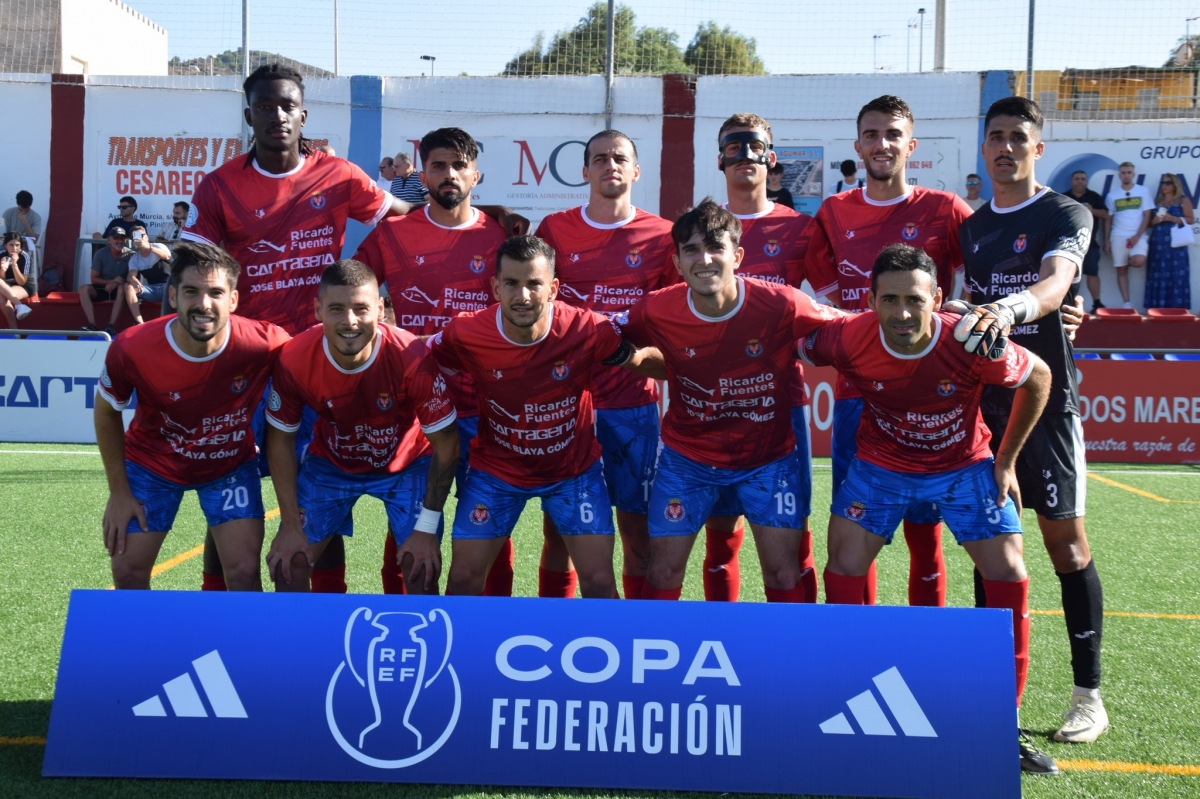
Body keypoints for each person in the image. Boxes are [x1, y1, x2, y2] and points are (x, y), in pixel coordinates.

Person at [804, 242, 1054, 776]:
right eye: (889, 300)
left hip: (964, 466)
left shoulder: (971, 339)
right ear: (869, 301)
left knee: (1010, 571)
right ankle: (850, 705)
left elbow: (1039, 378)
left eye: (914, 300)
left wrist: (1006, 462)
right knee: (843, 568)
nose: (901, 313)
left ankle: (1002, 723)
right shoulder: (847, 337)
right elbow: (791, 339)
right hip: (880, 468)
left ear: (937, 298)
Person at [956, 96, 1108, 757]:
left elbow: (1056, 282)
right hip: (985, 407)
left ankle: (1088, 696)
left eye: (1019, 137)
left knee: (1065, 547)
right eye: (996, 137)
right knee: (992, 549)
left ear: (1037, 149)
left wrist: (1016, 308)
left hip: (1049, 404)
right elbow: (957, 297)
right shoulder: (973, 225)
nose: (1007, 147)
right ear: (984, 148)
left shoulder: (1064, 212)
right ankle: (993, 694)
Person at [622, 199, 842, 603]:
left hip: (768, 460)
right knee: (663, 568)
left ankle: (796, 659)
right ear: (677, 260)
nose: (704, 259)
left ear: (737, 256)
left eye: (715, 247)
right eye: (691, 250)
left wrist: (947, 321)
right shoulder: (656, 308)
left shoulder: (783, 302)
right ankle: (653, 661)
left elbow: (854, 324)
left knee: (782, 570)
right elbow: (607, 339)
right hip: (687, 460)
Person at [805, 94, 975, 607]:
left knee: (927, 536)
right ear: (858, 145)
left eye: (893, 134)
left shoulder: (946, 209)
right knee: (857, 538)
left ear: (911, 145)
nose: (883, 144)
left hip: (932, 401)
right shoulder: (833, 212)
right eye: (873, 134)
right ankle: (861, 647)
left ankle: (926, 643)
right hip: (859, 394)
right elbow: (825, 306)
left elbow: (974, 293)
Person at [427, 235, 663, 598]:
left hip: (573, 473)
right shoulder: (465, 332)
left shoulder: (588, 329)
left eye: (534, 284)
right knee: (462, 581)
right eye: (511, 284)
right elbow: (418, 365)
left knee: (600, 583)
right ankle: (465, 654)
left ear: (553, 288)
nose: (522, 296)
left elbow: (637, 360)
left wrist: (703, 370)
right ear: (495, 286)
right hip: (497, 473)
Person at [354, 126, 510, 596]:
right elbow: (353, 296)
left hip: (486, 410)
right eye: (439, 165)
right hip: (413, 413)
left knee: (489, 532)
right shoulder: (392, 235)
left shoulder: (501, 235)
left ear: (476, 175)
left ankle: (488, 635)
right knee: (407, 532)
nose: (449, 174)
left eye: (459, 165)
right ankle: (403, 626)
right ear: (422, 174)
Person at [93, 242, 289, 591]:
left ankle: (240, 647)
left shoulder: (266, 343)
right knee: (127, 572)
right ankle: (144, 647)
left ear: (233, 300)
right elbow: (107, 412)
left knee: (244, 574)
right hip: (152, 466)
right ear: (173, 295)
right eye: (191, 292)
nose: (203, 304)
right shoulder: (131, 347)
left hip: (228, 466)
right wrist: (119, 493)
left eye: (216, 292)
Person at [534, 129, 676, 601]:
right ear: (585, 171)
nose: (609, 166)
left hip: (632, 404)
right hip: (566, 403)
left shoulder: (662, 235)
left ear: (636, 171)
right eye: (599, 159)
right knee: (559, 527)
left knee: (637, 525)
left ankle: (636, 632)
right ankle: (558, 625)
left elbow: (676, 317)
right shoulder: (554, 230)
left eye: (619, 158)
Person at [263, 260, 459, 594]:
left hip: (406, 463)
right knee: (289, 563)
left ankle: (414, 641)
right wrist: (290, 524)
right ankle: (306, 644)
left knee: (419, 567)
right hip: (333, 463)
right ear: (317, 309)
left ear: (380, 309)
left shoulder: (410, 356)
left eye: (361, 309)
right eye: (337, 309)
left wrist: (426, 529)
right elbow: (280, 441)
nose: (350, 321)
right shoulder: (294, 358)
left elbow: (447, 445)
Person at [705, 112, 820, 603]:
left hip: (780, 405)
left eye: (754, 147)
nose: (744, 156)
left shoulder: (802, 229)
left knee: (795, 538)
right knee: (720, 539)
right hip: (709, 406)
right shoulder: (700, 229)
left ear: (771, 159)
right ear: (720, 160)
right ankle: (722, 649)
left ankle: (803, 656)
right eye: (734, 147)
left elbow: (835, 305)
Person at [1103, 161, 1153, 309]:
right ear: (1119, 175)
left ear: (1133, 174)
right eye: (1123, 173)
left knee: (1138, 261)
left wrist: (1138, 235)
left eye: (1129, 172)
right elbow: (1108, 220)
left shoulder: (1143, 191)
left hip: (1137, 236)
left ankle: (1128, 259)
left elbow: (1147, 215)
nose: (1126, 175)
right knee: (1122, 270)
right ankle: (1127, 303)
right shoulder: (1112, 195)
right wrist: (1106, 241)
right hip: (1118, 236)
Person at [1145, 172, 1194, 309]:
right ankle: (1157, 307)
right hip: (1158, 244)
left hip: (1176, 245)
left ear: (1174, 185)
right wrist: (1154, 221)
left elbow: (1190, 219)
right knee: (1158, 274)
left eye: (1168, 183)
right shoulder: (1157, 202)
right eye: (1162, 183)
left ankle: (1177, 308)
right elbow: (1148, 223)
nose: (1164, 186)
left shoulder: (1183, 200)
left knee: (1176, 275)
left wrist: (1172, 218)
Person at [1064, 170, 1108, 312]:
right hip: (1068, 244)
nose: (1080, 181)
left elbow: (1106, 214)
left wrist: (1091, 210)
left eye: (1083, 179)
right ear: (1071, 181)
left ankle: (1097, 303)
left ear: (1086, 181)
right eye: (1077, 179)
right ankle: (1067, 303)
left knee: (1092, 273)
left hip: (1089, 243)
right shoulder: (1063, 197)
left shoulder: (1094, 197)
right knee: (1067, 274)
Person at [80, 227, 131, 335]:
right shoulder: (100, 254)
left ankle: (111, 326)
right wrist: (112, 281)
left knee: (123, 287)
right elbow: (94, 279)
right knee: (83, 289)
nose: (120, 241)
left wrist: (118, 282)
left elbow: (135, 278)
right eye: (116, 238)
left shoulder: (131, 255)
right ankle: (92, 324)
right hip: (103, 288)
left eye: (122, 238)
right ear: (109, 240)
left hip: (121, 290)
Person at [123, 225, 171, 324]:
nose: (140, 238)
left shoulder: (158, 246)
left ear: (147, 237)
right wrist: (133, 279)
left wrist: (148, 248)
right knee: (127, 286)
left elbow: (165, 255)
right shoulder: (135, 258)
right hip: (152, 289)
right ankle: (139, 322)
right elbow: (130, 275)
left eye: (142, 235)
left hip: (169, 287)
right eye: (136, 237)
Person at [0, 232, 34, 325]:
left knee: (4, 297)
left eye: (17, 245)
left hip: (24, 286)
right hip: (6, 285)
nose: (14, 248)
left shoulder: (25, 257)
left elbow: (22, 282)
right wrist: (3, 269)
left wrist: (15, 264)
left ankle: (13, 329)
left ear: (21, 246)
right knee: (1, 298)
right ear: (5, 245)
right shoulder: (1, 255)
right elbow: (2, 280)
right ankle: (14, 330)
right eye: (11, 245)